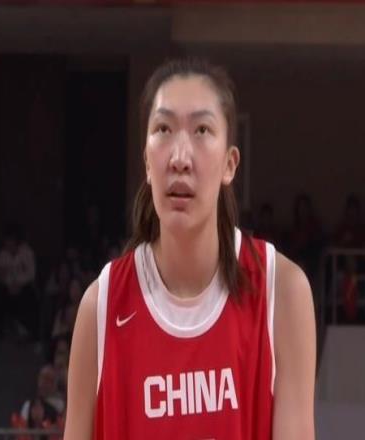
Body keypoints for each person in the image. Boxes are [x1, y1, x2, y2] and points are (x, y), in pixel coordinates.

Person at [64, 58, 316, 439]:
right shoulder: (99, 306)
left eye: (201, 130)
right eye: (163, 129)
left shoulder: (283, 291)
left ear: (230, 164)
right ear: (146, 162)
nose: (180, 158)